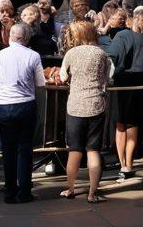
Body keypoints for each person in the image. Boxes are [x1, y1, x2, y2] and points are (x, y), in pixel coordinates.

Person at [0, 22, 46, 204]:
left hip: (4, 105)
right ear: (27, 38)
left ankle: (9, 192)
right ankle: (24, 191)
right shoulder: (33, 56)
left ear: (10, 36)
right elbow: (40, 82)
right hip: (26, 105)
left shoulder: (0, 55)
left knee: (8, 150)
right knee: (24, 148)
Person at [58, 20, 110, 204]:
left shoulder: (71, 53)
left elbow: (63, 77)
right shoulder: (101, 54)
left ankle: (71, 188)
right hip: (96, 104)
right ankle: (92, 193)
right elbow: (108, 78)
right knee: (93, 150)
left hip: (75, 106)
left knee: (74, 150)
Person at [105, 9, 143, 182]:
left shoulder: (121, 37)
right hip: (140, 84)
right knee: (133, 124)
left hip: (122, 84)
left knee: (120, 125)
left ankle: (123, 163)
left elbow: (112, 58)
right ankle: (129, 163)